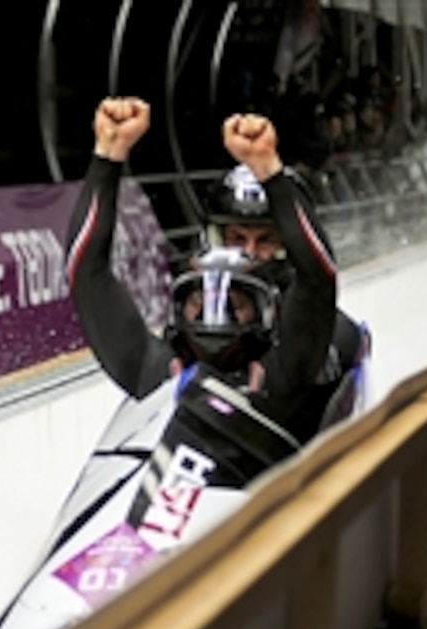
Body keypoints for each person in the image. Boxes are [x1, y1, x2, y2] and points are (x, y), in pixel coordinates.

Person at [66, 97, 338, 460]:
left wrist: (269, 170)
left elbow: (317, 277)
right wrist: (108, 155)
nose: (215, 317)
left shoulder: (289, 361)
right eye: (201, 302)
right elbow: (87, 274)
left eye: (235, 305)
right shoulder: (156, 367)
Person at [205, 161, 370, 434]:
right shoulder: (196, 315)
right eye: (237, 238)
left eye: (265, 240)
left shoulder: (333, 335)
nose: (250, 253)